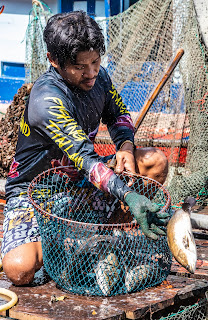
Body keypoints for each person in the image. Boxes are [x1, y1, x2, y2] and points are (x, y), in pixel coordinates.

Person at [2, 11, 169, 285]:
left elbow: (119, 116)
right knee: (19, 270)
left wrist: (125, 146)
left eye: (96, 61)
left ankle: (108, 237)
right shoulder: (46, 100)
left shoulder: (99, 78)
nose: (91, 73)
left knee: (154, 162)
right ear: (54, 61)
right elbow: (86, 159)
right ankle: (66, 242)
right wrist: (129, 195)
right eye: (80, 67)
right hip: (35, 194)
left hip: (80, 184)